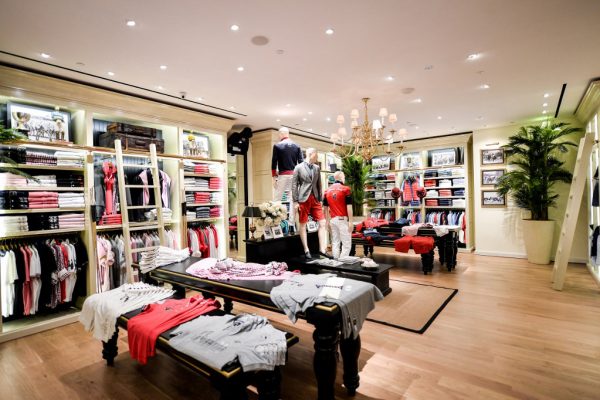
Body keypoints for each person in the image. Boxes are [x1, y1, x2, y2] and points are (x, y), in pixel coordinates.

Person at [292, 148, 327, 259]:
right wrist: (295, 201)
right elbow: (294, 185)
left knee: (322, 222)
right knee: (303, 224)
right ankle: (306, 249)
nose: (317, 157)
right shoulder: (298, 167)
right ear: (310, 154)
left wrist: (320, 200)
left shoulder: (317, 168)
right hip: (303, 199)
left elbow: (319, 184)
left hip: (315, 198)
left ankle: (322, 249)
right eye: (316, 155)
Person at [271, 127, 303, 224]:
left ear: (281, 134)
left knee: (277, 198)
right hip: (294, 175)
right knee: (293, 199)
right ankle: (291, 222)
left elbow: (274, 162)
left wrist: (274, 177)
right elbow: (301, 163)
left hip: (283, 175)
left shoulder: (277, 146)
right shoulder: (297, 146)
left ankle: (274, 220)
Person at [323, 171, 353, 260]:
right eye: (344, 177)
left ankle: (336, 261)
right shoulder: (346, 189)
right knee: (346, 243)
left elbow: (325, 208)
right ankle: (342, 262)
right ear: (341, 178)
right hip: (342, 219)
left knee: (335, 242)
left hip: (332, 220)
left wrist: (327, 221)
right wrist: (351, 221)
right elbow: (349, 206)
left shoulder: (327, 191)